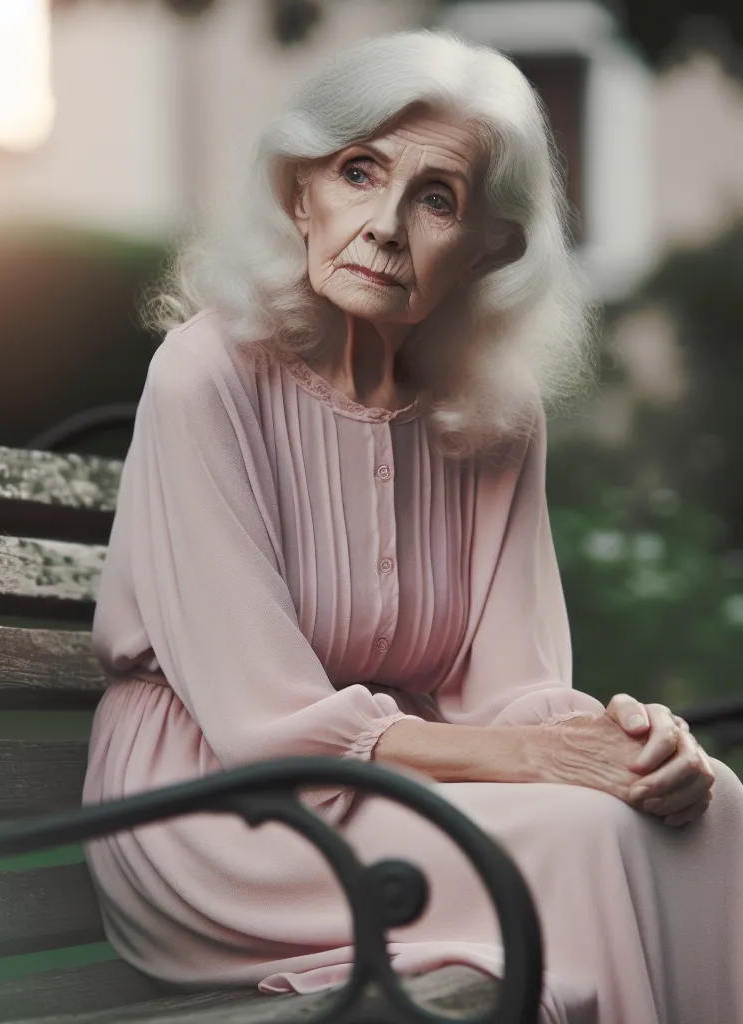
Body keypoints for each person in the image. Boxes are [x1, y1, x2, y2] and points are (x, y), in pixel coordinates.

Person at [81, 28, 743, 1024]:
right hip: (213, 807)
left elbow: (513, 693)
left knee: (714, 807)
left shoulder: (493, 415)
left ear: (487, 249)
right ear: (299, 191)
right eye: (358, 172)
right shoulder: (204, 372)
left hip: (396, 788)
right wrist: (554, 762)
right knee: (583, 838)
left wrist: (632, 742)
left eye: (436, 198)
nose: (386, 224)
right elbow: (264, 729)